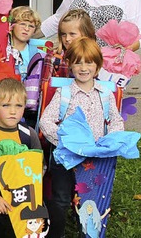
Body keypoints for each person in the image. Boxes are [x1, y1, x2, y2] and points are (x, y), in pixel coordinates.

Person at [38, 37, 124, 238]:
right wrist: (64, 143)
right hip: (66, 158)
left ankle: (89, 232)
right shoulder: (64, 93)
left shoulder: (104, 94)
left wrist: (108, 143)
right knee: (60, 199)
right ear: (69, 64)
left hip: (94, 159)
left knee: (90, 199)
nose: (83, 68)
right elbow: (46, 121)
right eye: (78, 62)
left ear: (98, 65)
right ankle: (56, 233)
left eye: (89, 62)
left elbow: (116, 121)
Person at [0, 78, 42, 238]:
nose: (13, 111)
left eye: (18, 106)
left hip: (25, 189)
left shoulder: (28, 134)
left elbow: (40, 167)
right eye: (6, 105)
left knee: (31, 219)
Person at [40, 9, 97, 85]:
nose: (67, 39)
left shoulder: (94, 56)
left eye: (72, 34)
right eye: (63, 34)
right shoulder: (53, 57)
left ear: (86, 34)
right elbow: (45, 87)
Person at [7, 6, 43, 79]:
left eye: (31, 26)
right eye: (22, 24)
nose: (26, 29)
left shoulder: (39, 55)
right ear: (11, 25)